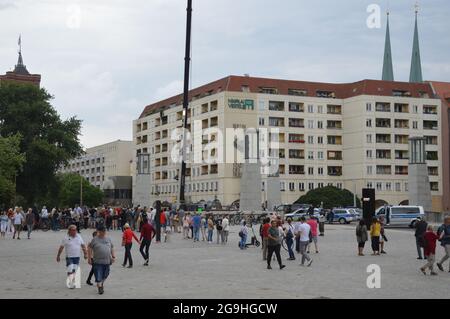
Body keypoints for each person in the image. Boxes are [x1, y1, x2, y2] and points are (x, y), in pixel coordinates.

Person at [88, 226, 115, 294]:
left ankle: (101, 283)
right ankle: (100, 287)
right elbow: (90, 248)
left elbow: (111, 247)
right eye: (102, 231)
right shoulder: (95, 239)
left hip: (107, 261)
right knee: (98, 274)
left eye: (104, 231)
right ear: (99, 232)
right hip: (97, 261)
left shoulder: (108, 239)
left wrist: (113, 256)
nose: (104, 232)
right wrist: (89, 258)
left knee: (106, 274)